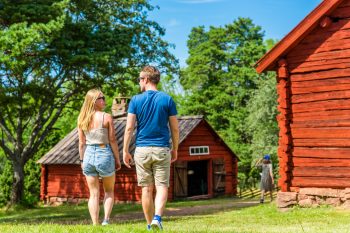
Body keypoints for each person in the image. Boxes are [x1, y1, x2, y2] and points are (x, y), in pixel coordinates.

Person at [123, 65, 179, 231]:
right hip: (162, 149)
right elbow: (175, 128)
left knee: (146, 189)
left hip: (142, 150)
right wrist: (175, 147)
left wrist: (125, 150)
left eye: (140, 79)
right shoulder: (167, 99)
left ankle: (149, 225)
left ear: (146, 79)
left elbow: (129, 128)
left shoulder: (135, 100)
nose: (139, 82)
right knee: (162, 186)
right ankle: (157, 218)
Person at [77, 89, 122, 225]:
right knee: (108, 191)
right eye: (100, 98)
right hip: (104, 153)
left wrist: (82, 160)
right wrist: (118, 159)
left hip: (88, 155)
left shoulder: (82, 118)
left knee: (94, 194)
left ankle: (95, 225)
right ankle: (105, 221)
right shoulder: (106, 116)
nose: (104, 100)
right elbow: (112, 140)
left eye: (103, 97)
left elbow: (81, 143)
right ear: (92, 101)